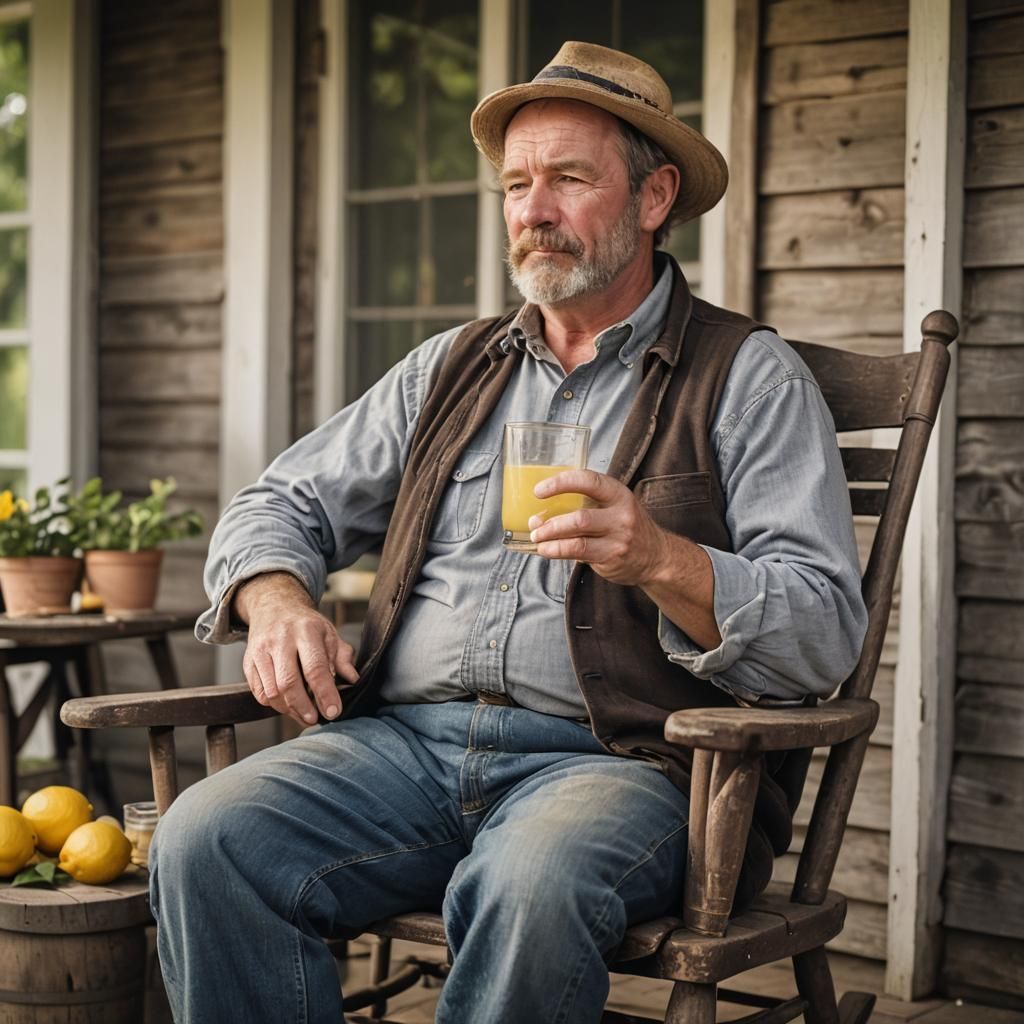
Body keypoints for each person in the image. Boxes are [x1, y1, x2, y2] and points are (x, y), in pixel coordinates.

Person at [151, 41, 867, 1024]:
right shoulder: (449, 367)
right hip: (400, 750)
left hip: (620, 768)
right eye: (516, 185)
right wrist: (274, 601)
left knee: (525, 884)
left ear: (654, 197)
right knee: (206, 839)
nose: (534, 210)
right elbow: (278, 502)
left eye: (569, 178)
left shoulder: (747, 378)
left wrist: (661, 558)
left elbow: (823, 631)